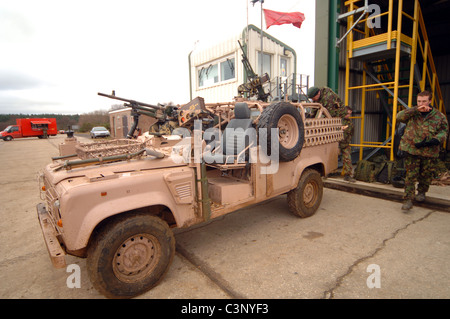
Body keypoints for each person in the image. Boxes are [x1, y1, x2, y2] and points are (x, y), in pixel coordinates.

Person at [396, 90, 448, 211]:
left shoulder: (439, 116)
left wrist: (435, 140)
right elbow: (399, 117)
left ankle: (421, 192)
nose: (421, 104)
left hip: (429, 151)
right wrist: (415, 109)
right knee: (410, 175)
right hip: (412, 150)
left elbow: (444, 131)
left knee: (426, 175)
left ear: (430, 101)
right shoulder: (413, 113)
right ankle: (408, 199)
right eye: (419, 101)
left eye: (424, 101)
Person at [307, 86, 355, 182]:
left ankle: (348, 175)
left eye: (313, 98)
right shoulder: (318, 96)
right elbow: (315, 107)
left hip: (337, 121)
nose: (313, 100)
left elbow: (328, 115)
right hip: (335, 122)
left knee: (345, 150)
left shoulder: (328, 98)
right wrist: (309, 117)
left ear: (318, 94)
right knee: (328, 150)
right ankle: (327, 172)